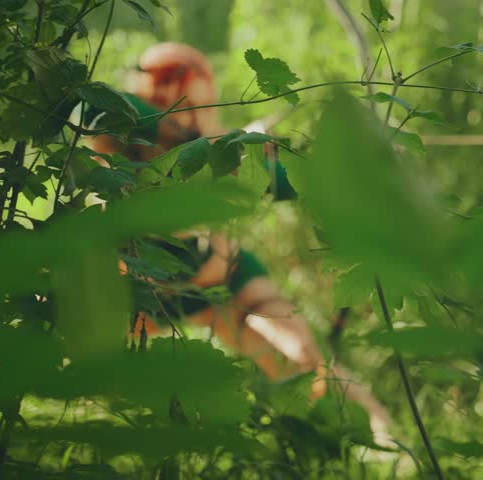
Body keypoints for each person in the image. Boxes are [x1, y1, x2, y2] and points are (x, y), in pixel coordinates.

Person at [85, 42, 392, 445]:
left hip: (218, 274)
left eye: (200, 101)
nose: (197, 111)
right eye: (185, 95)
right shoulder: (124, 123)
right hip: (138, 284)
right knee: (80, 354)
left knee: (298, 351)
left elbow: (300, 179)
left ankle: (378, 432)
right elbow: (99, 112)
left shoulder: (219, 151)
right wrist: (219, 142)